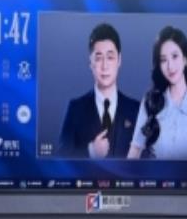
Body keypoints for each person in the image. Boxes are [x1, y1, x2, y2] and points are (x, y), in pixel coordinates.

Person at [128, 26, 187, 159]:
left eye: (175, 56)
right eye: (163, 60)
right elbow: (135, 150)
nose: (170, 66)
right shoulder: (150, 101)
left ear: (185, 59)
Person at [58, 23, 139, 158]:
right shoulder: (75, 109)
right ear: (90, 63)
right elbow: (60, 159)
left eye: (110, 57)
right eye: (99, 58)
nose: (104, 66)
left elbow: (149, 158)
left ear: (119, 60)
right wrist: (90, 151)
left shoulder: (136, 110)